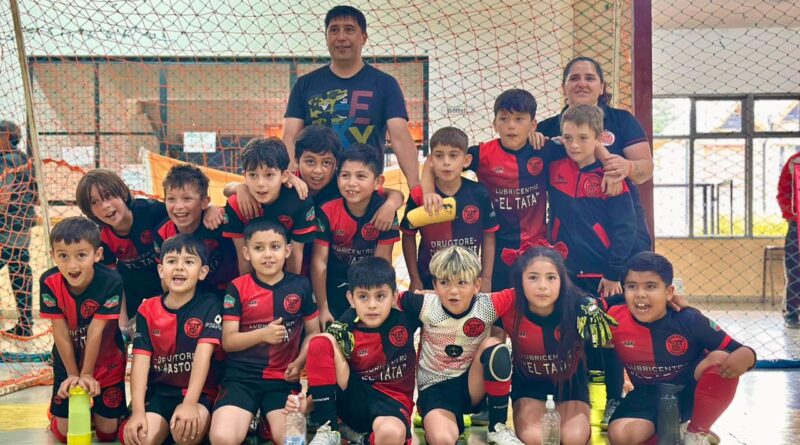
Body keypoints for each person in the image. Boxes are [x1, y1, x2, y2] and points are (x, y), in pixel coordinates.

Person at [605, 252, 757, 445]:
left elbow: (740, 351)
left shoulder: (688, 319)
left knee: (721, 358)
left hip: (688, 393)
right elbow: (585, 305)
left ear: (669, 292)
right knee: (621, 436)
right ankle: (674, 432)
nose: (640, 294)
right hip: (645, 395)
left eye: (650, 286)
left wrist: (747, 355)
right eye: (632, 286)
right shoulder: (613, 318)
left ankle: (697, 433)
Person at [421, 89, 556, 292]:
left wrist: (606, 162)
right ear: (494, 124)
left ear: (533, 125)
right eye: (504, 119)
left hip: (536, 246)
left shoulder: (543, 148)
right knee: (498, 303)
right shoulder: (482, 153)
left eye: (519, 119)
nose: (511, 125)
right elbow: (431, 163)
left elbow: (578, 145)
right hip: (496, 248)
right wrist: (428, 192)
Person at [283, 5, 421, 187]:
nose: (341, 37)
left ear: (364, 37)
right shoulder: (304, 84)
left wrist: (415, 186)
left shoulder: (385, 84)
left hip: (362, 189)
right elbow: (290, 138)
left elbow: (400, 139)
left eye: (349, 30)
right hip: (316, 189)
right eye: (334, 30)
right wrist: (291, 181)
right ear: (326, 37)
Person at [209, 220, 320, 445]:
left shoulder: (301, 286)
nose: (267, 254)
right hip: (241, 379)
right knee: (222, 438)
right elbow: (228, 341)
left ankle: (265, 420)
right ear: (246, 253)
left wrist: (299, 362)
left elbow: (313, 333)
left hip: (282, 380)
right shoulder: (237, 287)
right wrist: (263, 335)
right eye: (259, 248)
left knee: (294, 441)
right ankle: (251, 416)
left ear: (287, 250)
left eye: (275, 247)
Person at [287, 257, 420, 445]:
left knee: (390, 433)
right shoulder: (346, 324)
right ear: (351, 299)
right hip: (354, 400)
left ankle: (362, 438)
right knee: (320, 342)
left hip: (392, 403)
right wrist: (307, 404)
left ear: (394, 297)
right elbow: (327, 370)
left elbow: (442, 303)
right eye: (363, 297)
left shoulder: (407, 311)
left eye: (380, 296)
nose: (372, 305)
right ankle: (329, 429)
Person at [396, 246, 521, 445]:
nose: (453, 291)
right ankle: (438, 423)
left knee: (495, 346)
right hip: (436, 388)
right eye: (444, 282)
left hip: (472, 385)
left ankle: (497, 426)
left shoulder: (488, 305)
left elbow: (526, 291)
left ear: (477, 285)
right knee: (442, 440)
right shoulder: (423, 305)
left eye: (462, 282)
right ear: (435, 285)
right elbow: (387, 297)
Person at [499, 246, 617, 445]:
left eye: (551, 278)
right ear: (520, 280)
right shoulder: (508, 305)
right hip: (529, 388)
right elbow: (473, 302)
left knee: (574, 438)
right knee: (535, 439)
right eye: (533, 277)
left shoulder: (580, 306)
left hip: (570, 388)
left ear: (562, 280)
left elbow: (624, 300)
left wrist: (668, 299)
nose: (542, 286)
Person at [537, 56, 653, 254]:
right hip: (569, 239)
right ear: (564, 88)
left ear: (602, 88)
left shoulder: (622, 120)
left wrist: (626, 167)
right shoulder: (546, 128)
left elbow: (646, 169)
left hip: (623, 232)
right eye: (574, 78)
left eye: (589, 78)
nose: (582, 83)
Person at [122, 234, 223, 445]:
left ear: (203, 272)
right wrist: (138, 412)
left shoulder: (210, 305)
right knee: (141, 438)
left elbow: (203, 357)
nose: (179, 267)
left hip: (199, 394)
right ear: (160, 270)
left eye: (189, 262)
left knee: (184, 435)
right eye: (171, 261)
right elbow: (140, 363)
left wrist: (190, 404)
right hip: (161, 394)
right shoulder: (147, 309)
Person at [40, 217, 127, 443]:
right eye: (63, 256)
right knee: (63, 434)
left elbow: (95, 332)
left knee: (107, 434)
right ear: (53, 255)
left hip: (106, 360)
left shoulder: (111, 281)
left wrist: (87, 374)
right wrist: (72, 374)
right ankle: (58, 414)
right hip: (67, 359)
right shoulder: (49, 282)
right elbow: (60, 332)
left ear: (97, 255)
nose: (72, 265)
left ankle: (102, 413)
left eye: (81, 255)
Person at [401, 126, 499, 292]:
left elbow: (489, 236)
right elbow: (408, 236)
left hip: (469, 279)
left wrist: (486, 278)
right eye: (439, 155)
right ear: (431, 161)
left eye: (453, 155)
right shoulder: (419, 196)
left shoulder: (479, 193)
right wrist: (415, 278)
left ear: (466, 160)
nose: (446, 162)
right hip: (429, 280)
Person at [312, 143, 400, 326]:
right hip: (333, 287)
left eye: (361, 176)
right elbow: (320, 262)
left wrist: (377, 304)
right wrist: (323, 308)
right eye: (345, 175)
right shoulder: (327, 211)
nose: (351, 183)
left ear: (377, 182)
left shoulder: (385, 212)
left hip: (368, 287)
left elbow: (382, 263)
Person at [221, 137, 316, 275]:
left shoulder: (299, 200)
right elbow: (244, 260)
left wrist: (290, 286)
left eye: (269, 175)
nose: (260, 183)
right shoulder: (236, 204)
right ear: (244, 176)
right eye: (253, 175)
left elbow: (295, 257)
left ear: (284, 176)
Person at [153, 164, 238, 298]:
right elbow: (166, 282)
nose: (178, 207)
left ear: (204, 202)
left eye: (187, 198)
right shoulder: (162, 233)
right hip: (189, 297)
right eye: (171, 199)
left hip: (227, 293)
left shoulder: (219, 220)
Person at [0, 120, 36, 337]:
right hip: (22, 228)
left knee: (19, 272)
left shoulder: (6, 161)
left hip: (5, 230)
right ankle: (25, 324)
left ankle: (25, 324)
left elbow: (2, 197)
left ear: (6, 136)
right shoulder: (24, 159)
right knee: (20, 273)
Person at [777, 151, 800, 327]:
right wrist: (794, 216)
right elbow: (783, 193)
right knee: (795, 269)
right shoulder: (795, 161)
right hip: (797, 223)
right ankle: (792, 312)